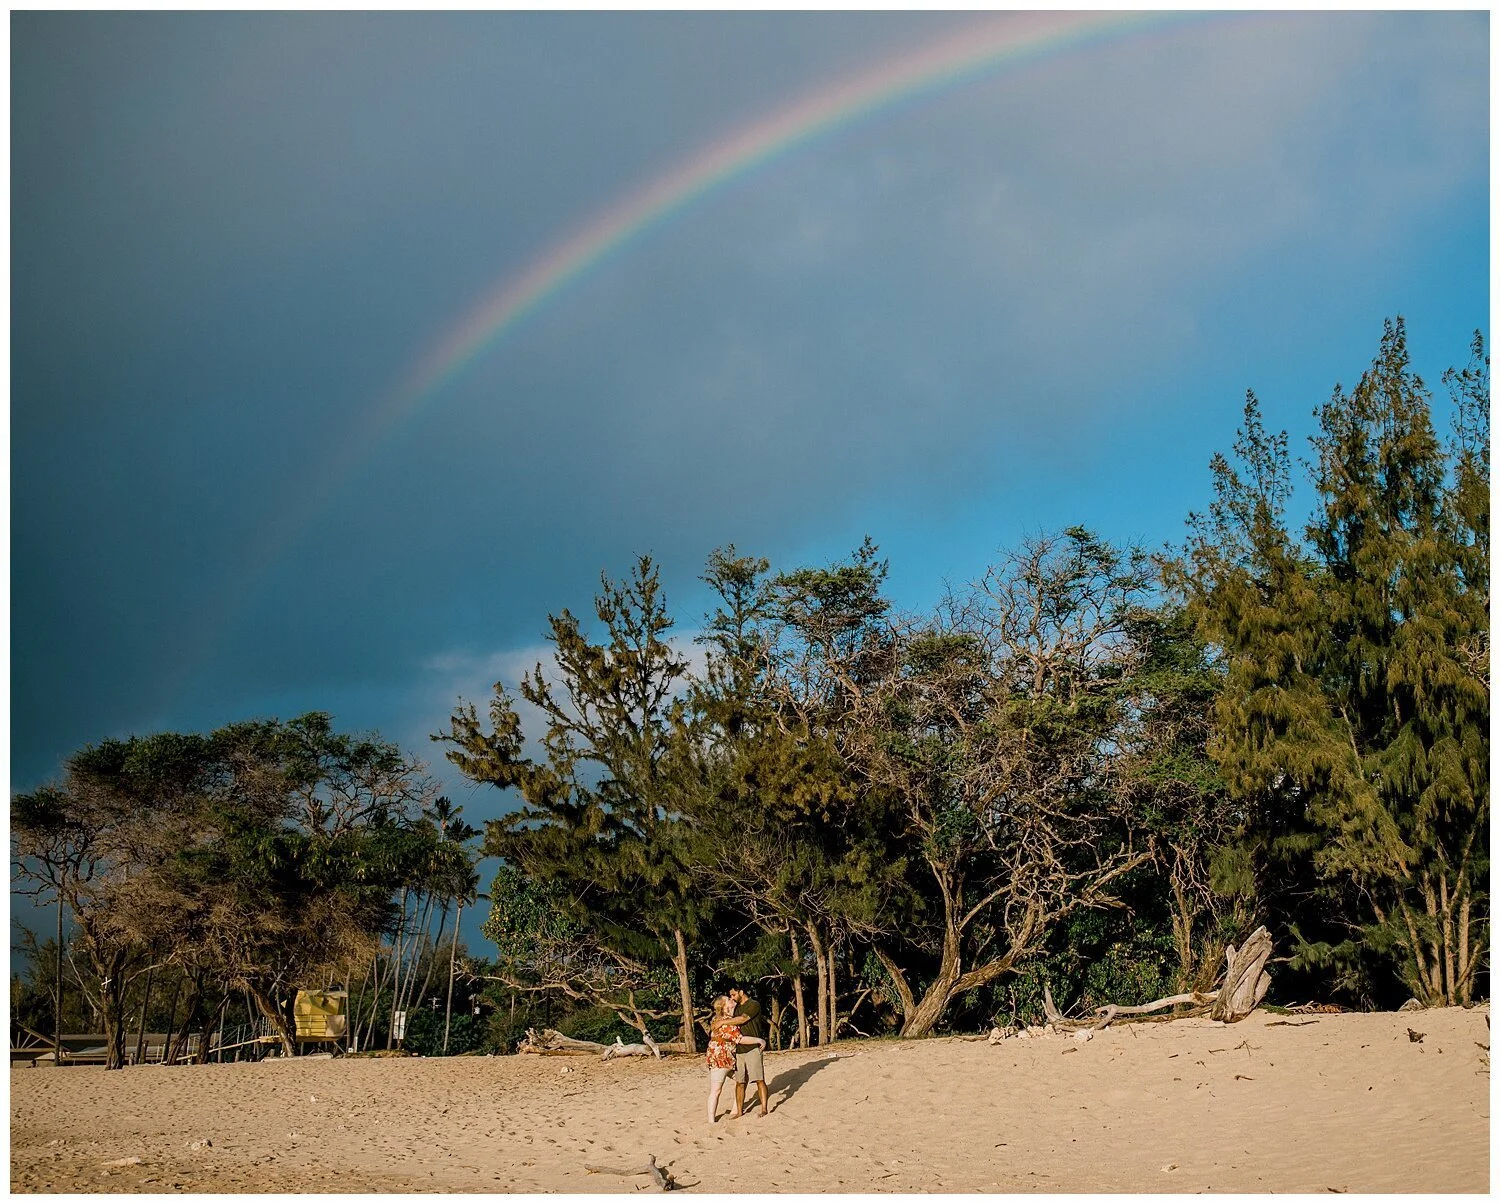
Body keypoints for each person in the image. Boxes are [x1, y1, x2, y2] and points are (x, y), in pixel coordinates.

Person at [706, 995, 764, 1123]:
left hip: (724, 1059)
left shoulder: (718, 1020)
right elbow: (740, 1039)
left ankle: (734, 1110)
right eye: (729, 1000)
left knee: (740, 1080)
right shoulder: (727, 1022)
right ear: (725, 1006)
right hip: (721, 1058)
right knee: (716, 1090)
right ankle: (711, 1120)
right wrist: (758, 1040)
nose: (732, 1000)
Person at [729, 986, 770, 1117]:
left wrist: (723, 1022)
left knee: (759, 1079)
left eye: (734, 994)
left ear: (741, 992)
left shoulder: (753, 1005)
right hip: (739, 1049)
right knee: (740, 1082)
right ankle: (739, 1111)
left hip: (753, 1048)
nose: (732, 998)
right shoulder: (736, 1008)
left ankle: (764, 1108)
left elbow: (743, 1019)